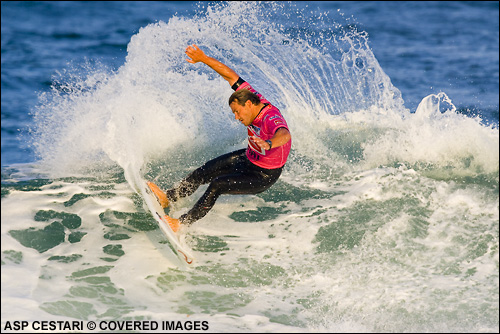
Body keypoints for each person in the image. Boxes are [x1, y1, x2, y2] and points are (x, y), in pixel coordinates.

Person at [147, 44, 292, 232]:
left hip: (263, 174)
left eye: (238, 112)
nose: (237, 118)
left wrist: (269, 143)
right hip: (249, 158)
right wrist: (203, 58)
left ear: (248, 104)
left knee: (217, 184)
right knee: (204, 171)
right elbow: (230, 76)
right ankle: (168, 197)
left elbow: (285, 134)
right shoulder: (251, 96)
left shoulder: (270, 118)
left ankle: (180, 224)